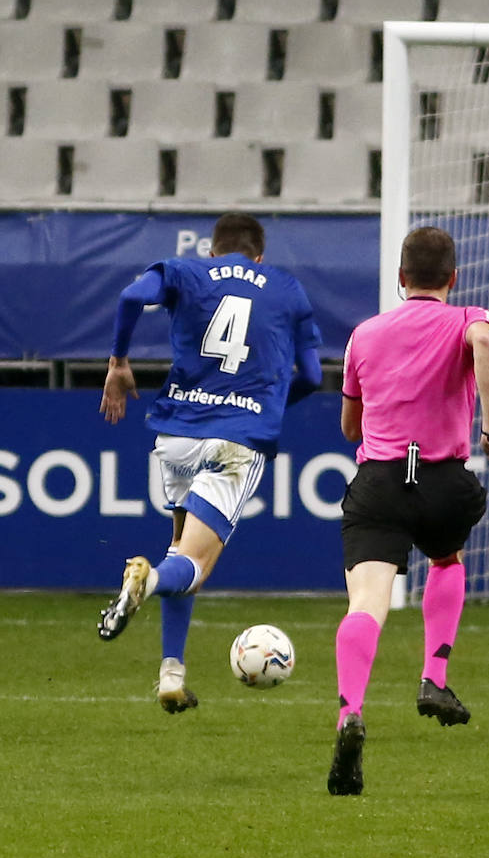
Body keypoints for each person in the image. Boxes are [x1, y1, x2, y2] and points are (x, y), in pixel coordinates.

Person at [97, 212, 323, 712]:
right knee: (190, 567)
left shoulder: (187, 271)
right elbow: (310, 373)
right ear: (259, 255)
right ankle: (147, 580)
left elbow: (132, 296)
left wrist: (117, 362)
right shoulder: (287, 288)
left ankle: (171, 674)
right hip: (235, 441)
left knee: (181, 548)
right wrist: (268, 404)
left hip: (176, 434)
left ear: (213, 251)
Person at [328, 226, 489, 796]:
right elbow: (484, 343)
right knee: (447, 559)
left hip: (381, 480)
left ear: (401, 279)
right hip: (443, 481)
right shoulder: (466, 320)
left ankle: (349, 713)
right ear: (452, 279)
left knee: (368, 603)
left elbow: (349, 428)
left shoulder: (365, 334)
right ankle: (435, 677)